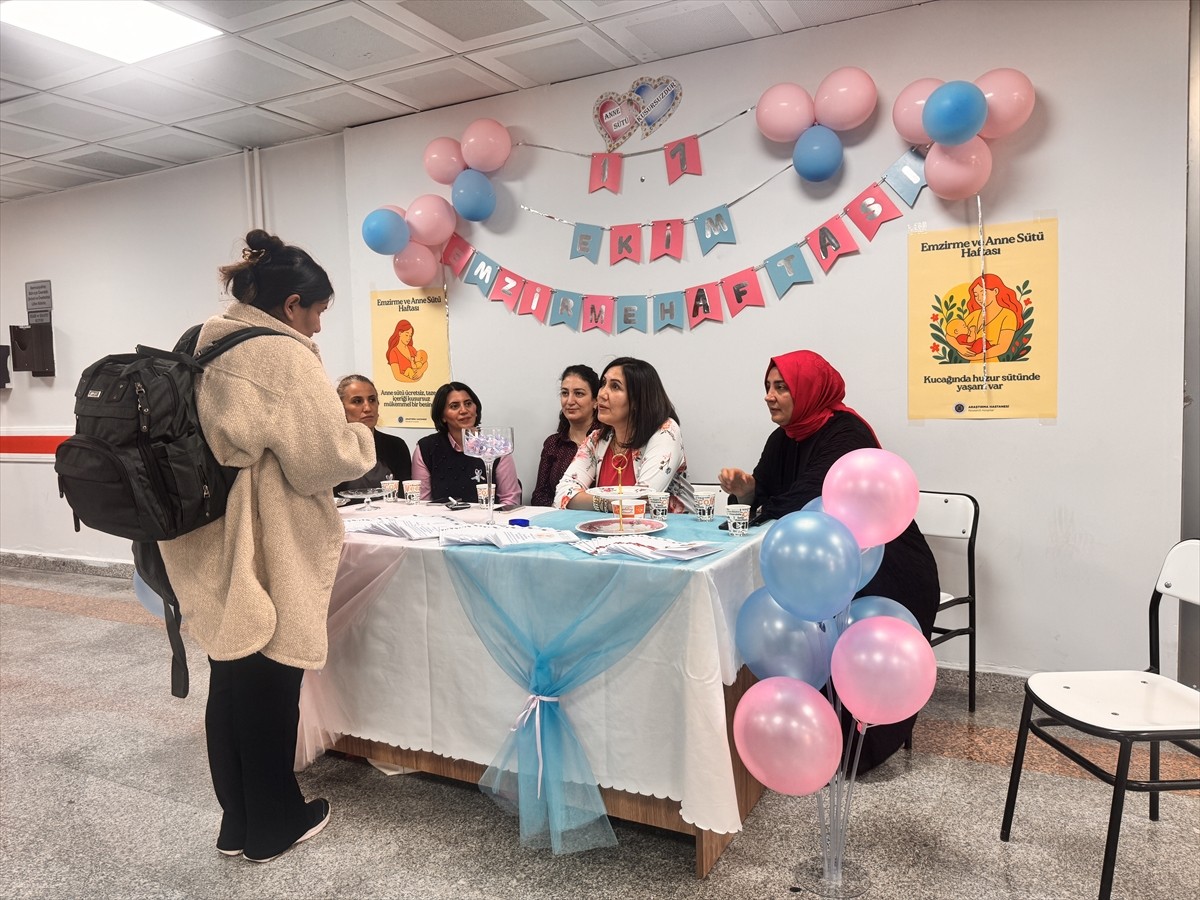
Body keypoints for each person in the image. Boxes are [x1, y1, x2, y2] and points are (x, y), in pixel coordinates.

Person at [159, 230, 375, 862]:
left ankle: (238, 823)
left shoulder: (200, 341)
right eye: (319, 313)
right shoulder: (282, 355)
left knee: (230, 678)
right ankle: (276, 820)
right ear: (291, 305)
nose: (318, 328)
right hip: (262, 540)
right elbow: (319, 460)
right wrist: (361, 439)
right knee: (272, 680)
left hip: (203, 534)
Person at [718, 349, 940, 773]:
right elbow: (767, 499)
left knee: (856, 641)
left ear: (809, 389)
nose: (769, 395)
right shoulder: (782, 438)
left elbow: (804, 500)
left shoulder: (845, 433)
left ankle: (855, 744)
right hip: (825, 568)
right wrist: (747, 492)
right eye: (767, 386)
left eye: (781, 386)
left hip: (886, 565)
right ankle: (803, 733)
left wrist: (758, 501)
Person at [555, 357, 694, 513]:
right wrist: (607, 504)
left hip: (673, 533)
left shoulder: (665, 431)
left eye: (615, 386)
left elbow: (643, 500)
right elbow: (562, 494)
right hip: (615, 530)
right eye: (603, 384)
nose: (601, 394)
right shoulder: (597, 439)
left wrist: (591, 500)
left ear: (637, 400)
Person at [411, 381, 520, 505]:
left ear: (476, 409)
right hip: (442, 521)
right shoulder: (426, 448)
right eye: (454, 406)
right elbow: (421, 503)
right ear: (443, 416)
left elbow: (510, 500)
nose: (464, 410)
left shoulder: (496, 445)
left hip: (489, 521)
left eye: (468, 404)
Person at [530, 364, 600, 507]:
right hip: (558, 520)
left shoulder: (607, 440)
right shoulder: (553, 443)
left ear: (595, 401)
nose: (569, 401)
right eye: (565, 393)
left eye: (579, 393)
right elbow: (539, 496)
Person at [333, 374, 411, 496]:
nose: (368, 408)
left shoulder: (395, 446)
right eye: (357, 401)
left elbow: (404, 497)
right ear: (340, 408)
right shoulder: (332, 448)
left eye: (372, 400)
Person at [955, 273, 1024, 361]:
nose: (979, 298)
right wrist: (959, 347)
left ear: (995, 291)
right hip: (970, 369)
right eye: (976, 295)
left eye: (983, 293)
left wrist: (975, 357)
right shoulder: (974, 314)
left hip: (994, 366)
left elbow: (1003, 347)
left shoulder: (1008, 315)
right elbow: (950, 334)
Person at [386, 318, 428, 382]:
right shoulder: (394, 352)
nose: (408, 338)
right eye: (406, 334)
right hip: (404, 387)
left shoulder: (411, 349)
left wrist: (420, 371)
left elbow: (424, 362)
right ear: (400, 333)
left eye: (410, 336)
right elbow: (397, 376)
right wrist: (413, 382)